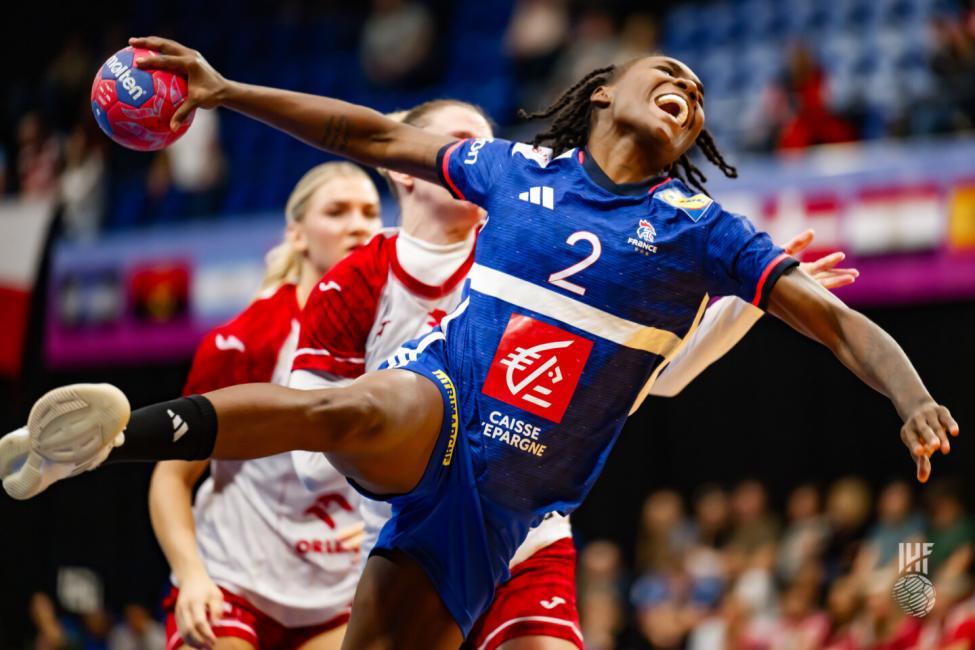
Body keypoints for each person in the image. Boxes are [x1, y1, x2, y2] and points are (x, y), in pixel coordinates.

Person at [1, 37, 958, 650]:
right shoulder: (513, 170)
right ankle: (112, 434)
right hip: (440, 409)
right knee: (345, 408)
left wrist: (909, 395)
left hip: (512, 512)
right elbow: (364, 133)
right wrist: (222, 91)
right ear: (600, 95)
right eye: (666, 73)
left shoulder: (701, 232)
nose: (687, 87)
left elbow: (836, 322)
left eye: (699, 93)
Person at [290, 99, 856, 650]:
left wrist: (752, 301)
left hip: (525, 538)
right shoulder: (354, 281)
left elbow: (661, 377)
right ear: (406, 166)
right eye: (459, 141)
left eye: (484, 142)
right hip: (413, 541)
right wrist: (409, 417)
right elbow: (311, 465)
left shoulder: (536, 247)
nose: (477, 152)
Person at [150, 162, 381, 650]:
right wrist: (192, 576)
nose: (357, 225)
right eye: (337, 212)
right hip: (231, 583)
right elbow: (171, 477)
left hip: (336, 596)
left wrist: (379, 519)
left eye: (369, 212)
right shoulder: (244, 342)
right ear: (297, 235)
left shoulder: (400, 338)